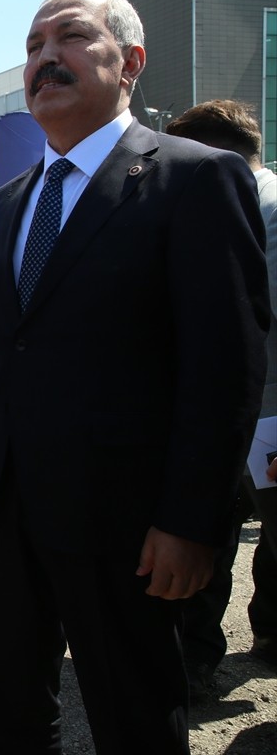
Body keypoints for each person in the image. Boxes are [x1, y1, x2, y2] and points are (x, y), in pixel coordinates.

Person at [0, 0, 268, 753]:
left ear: (131, 63)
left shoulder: (197, 178)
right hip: (11, 503)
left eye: (71, 38)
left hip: (128, 518)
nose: (45, 57)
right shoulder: (12, 203)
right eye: (32, 46)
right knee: (13, 709)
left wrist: (193, 521)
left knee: (135, 713)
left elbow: (225, 365)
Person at [166, 100, 277, 692]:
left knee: (211, 534)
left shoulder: (257, 205)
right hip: (247, 416)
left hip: (260, 415)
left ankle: (197, 658)